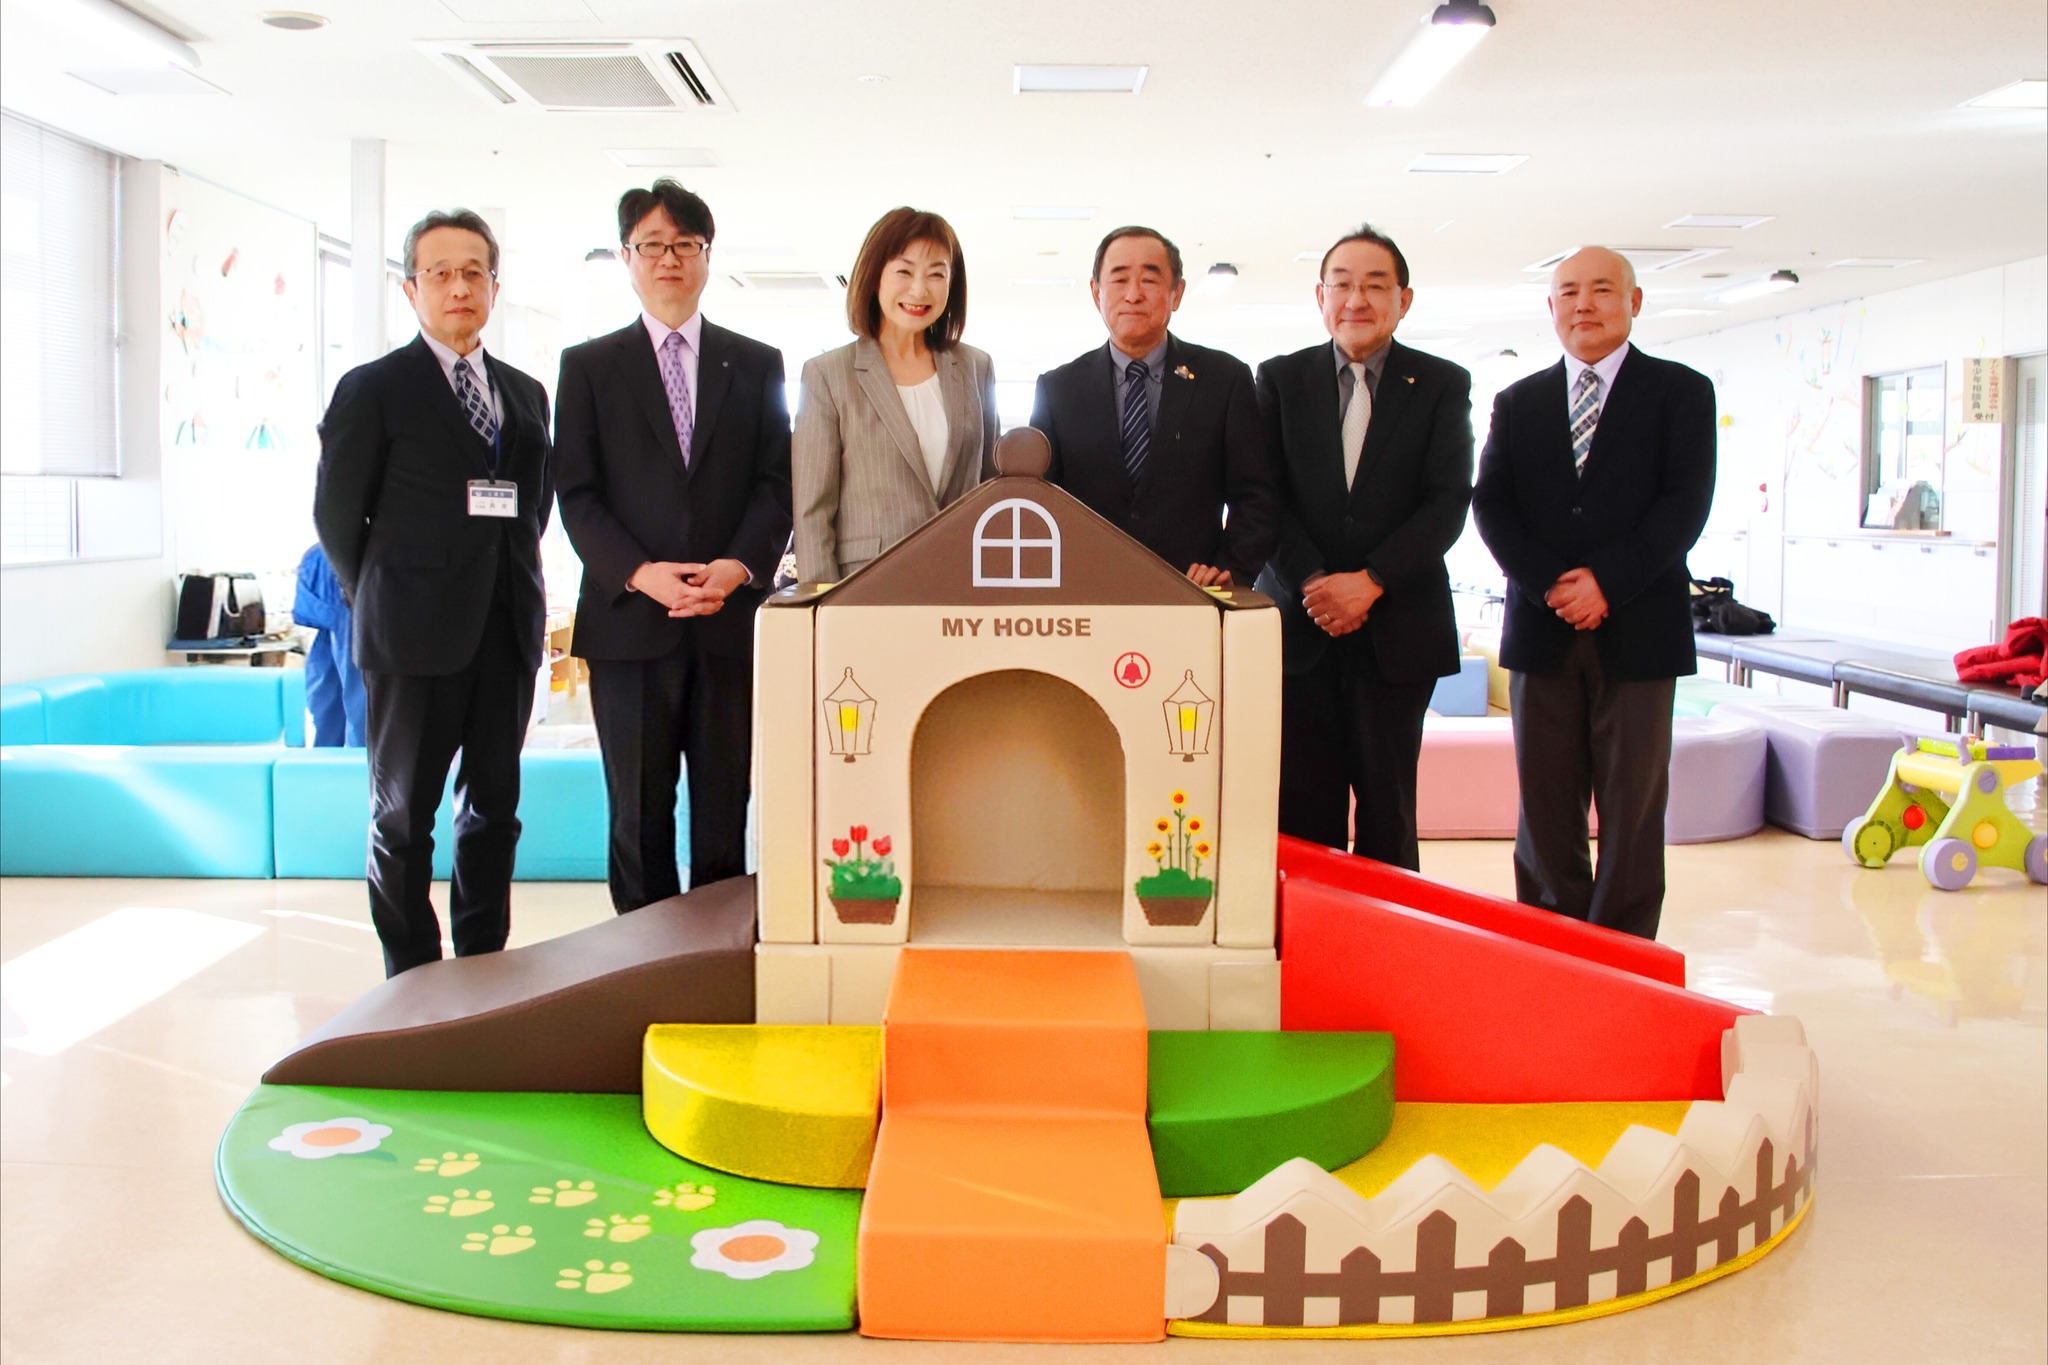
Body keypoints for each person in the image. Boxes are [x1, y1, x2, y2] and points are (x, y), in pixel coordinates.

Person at [313, 209, 553, 977]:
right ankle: (412, 975)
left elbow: (532, 507)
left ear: (493, 286)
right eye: (440, 273)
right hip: (409, 640)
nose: (459, 287)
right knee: (403, 818)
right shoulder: (373, 389)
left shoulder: (525, 393)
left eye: (473, 272)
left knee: (493, 811)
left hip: (505, 632)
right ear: (411, 288)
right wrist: (383, 599)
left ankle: (483, 964)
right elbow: (337, 519)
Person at [555, 180, 792, 913]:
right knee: (637, 817)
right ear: (626, 258)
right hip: (630, 627)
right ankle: (641, 960)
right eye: (652, 245)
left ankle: (712, 960)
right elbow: (577, 494)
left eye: (685, 244)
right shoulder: (588, 367)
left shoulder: (756, 363)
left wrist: (737, 567)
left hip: (727, 623)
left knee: (725, 812)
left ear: (707, 257)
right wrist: (641, 573)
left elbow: (776, 481)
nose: (669, 259)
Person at [1471, 246, 1716, 940]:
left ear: (1633, 302)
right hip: (1542, 630)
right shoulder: (1519, 402)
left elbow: (1684, 504)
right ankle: (1554, 949)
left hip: (1641, 631)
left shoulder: (1681, 392)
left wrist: (1608, 581)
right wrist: (1552, 583)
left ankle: (1623, 957)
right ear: (1551, 308)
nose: (1585, 304)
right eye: (1570, 292)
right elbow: (1491, 504)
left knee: (1633, 810)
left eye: (1602, 289)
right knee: (1546, 810)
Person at [1255, 225, 1473, 870]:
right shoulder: (1279, 379)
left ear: (1404, 300)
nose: (1357, 300)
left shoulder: (1441, 384)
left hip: (1399, 630)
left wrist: (1371, 581)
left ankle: (1390, 932)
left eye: (1375, 286)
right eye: (1342, 285)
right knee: (1302, 812)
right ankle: (1311, 929)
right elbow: (1262, 499)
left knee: (1389, 812)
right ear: (1320, 296)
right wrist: (1316, 583)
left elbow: (1447, 502)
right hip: (1301, 630)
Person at [1030, 226, 1277, 586]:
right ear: (1096, 292)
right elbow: (1039, 501)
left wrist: (1229, 571)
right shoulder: (1058, 389)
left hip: (1194, 592)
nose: (1133, 295)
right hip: (1086, 594)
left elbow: (1256, 497)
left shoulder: (1225, 379)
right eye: (1119, 280)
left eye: (1149, 279)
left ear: (1177, 293)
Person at [793, 207, 997, 581]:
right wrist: (824, 605)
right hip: (868, 586)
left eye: (936, 274)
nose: (919, 290)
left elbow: (990, 489)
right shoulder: (828, 375)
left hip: (962, 583)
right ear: (874, 277)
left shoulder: (975, 367)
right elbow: (812, 514)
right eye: (904, 272)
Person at [293, 541, 366, 746]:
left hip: (341, 637)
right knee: (360, 711)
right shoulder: (321, 556)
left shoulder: (318, 555)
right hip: (350, 635)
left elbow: (305, 610)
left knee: (334, 711)